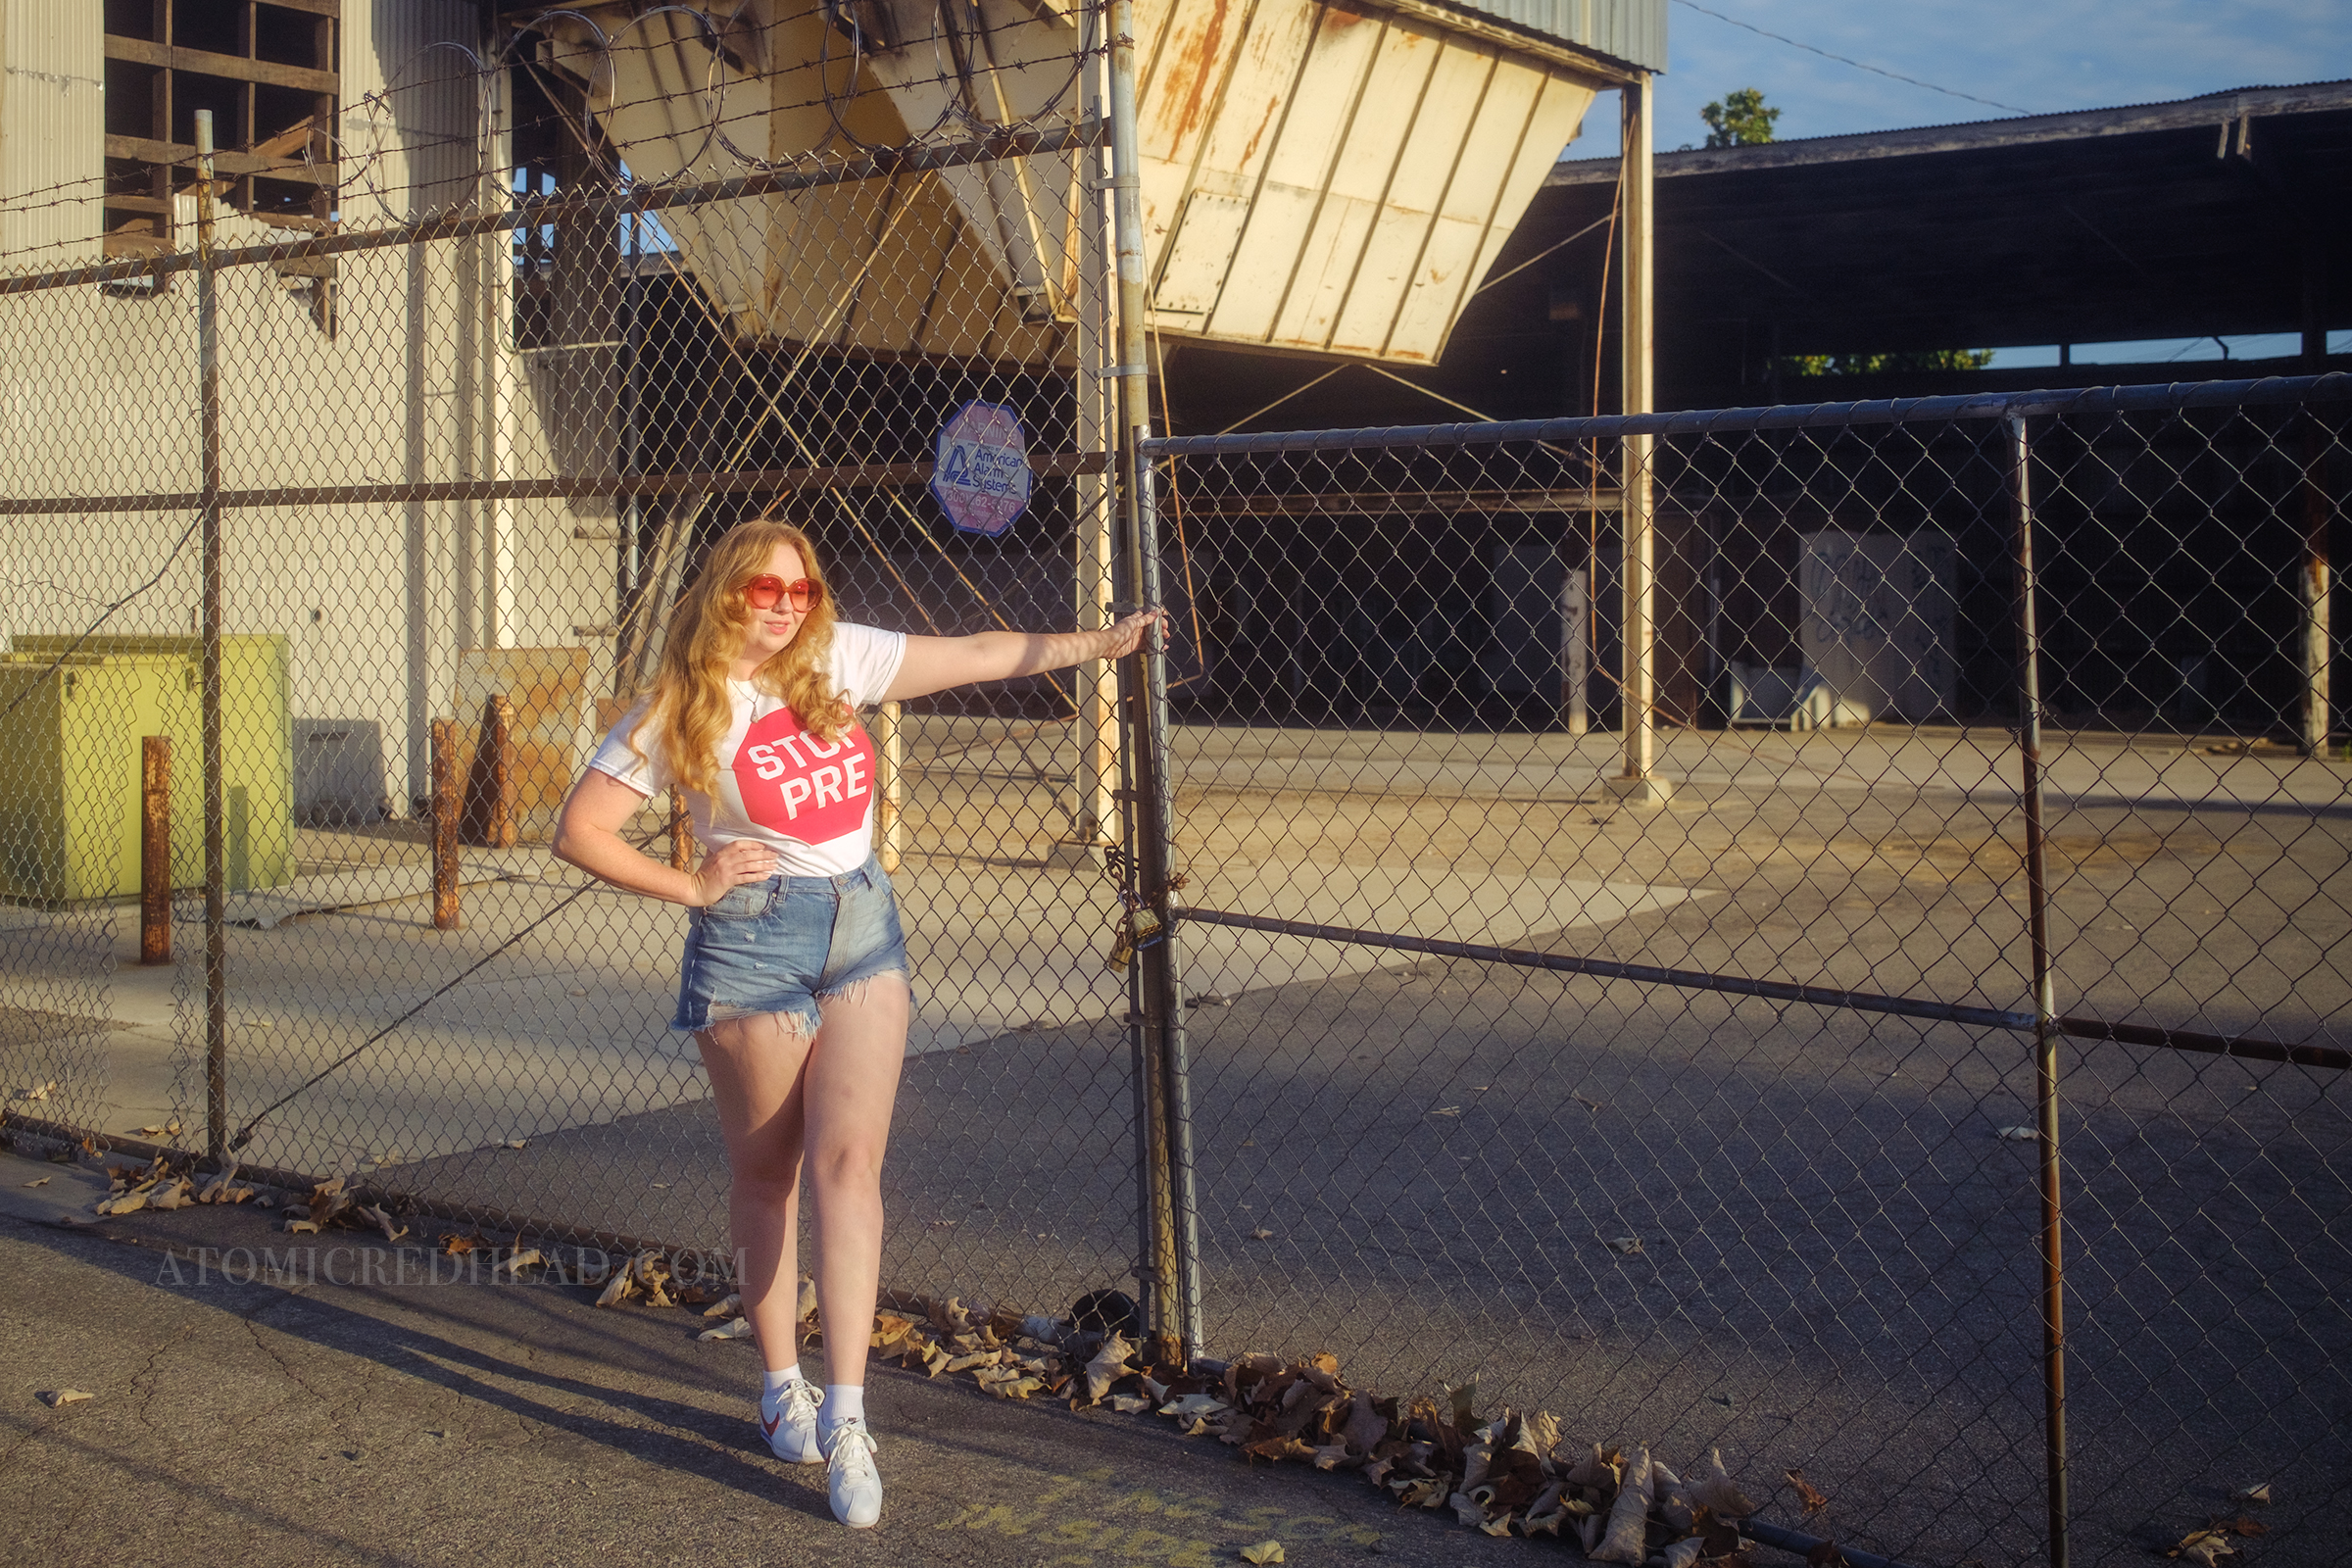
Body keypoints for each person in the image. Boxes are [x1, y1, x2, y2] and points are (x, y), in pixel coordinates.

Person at [551, 516, 1159, 1529]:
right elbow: (582, 829)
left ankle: (849, 1415)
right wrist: (690, 885)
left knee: (850, 1166)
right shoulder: (682, 706)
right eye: (767, 591)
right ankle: (780, 1383)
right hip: (750, 945)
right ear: (726, 594)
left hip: (863, 930)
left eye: (802, 589)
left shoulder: (838, 658)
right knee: (767, 1176)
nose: (789, 606)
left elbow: (973, 656)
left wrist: (1096, 646)